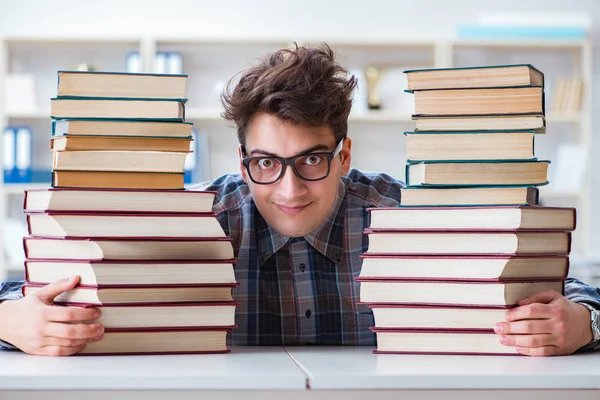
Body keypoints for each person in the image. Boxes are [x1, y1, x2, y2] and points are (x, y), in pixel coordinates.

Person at [0, 44, 599, 356]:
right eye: (265, 164)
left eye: (311, 160)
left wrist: (581, 322)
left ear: (342, 155)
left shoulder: (410, 217)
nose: (289, 189)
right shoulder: (194, 218)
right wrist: (12, 320)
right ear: (242, 164)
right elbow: (24, 290)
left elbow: (572, 288)